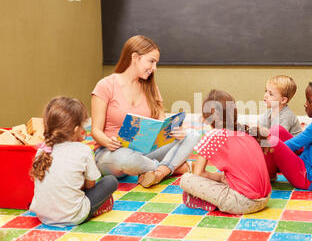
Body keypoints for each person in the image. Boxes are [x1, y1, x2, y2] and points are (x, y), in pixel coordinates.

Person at [91, 35, 201, 187]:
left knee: (192, 135)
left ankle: (158, 172)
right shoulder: (105, 85)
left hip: (145, 153)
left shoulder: (151, 87)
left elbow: (163, 124)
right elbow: (95, 130)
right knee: (127, 159)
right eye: (151, 61)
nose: (154, 68)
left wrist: (176, 132)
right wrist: (108, 142)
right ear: (135, 57)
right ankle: (174, 167)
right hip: (112, 155)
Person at [29, 96, 118, 227]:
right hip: (73, 216)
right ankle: (96, 209)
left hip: (43, 216)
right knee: (110, 181)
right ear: (77, 130)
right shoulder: (83, 150)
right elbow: (90, 186)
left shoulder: (42, 150)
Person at [179, 90, 271, 214]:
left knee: (186, 179)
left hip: (244, 203)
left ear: (209, 115)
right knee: (223, 179)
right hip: (265, 199)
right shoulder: (245, 133)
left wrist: (219, 178)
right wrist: (221, 178)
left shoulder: (214, 135)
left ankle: (208, 202)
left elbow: (198, 174)